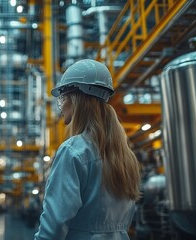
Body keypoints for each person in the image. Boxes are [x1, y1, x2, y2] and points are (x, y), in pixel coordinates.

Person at [34, 59, 141, 240]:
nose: (60, 105)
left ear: (76, 99)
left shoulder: (73, 151)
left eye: (62, 97)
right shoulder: (125, 156)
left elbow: (54, 225)